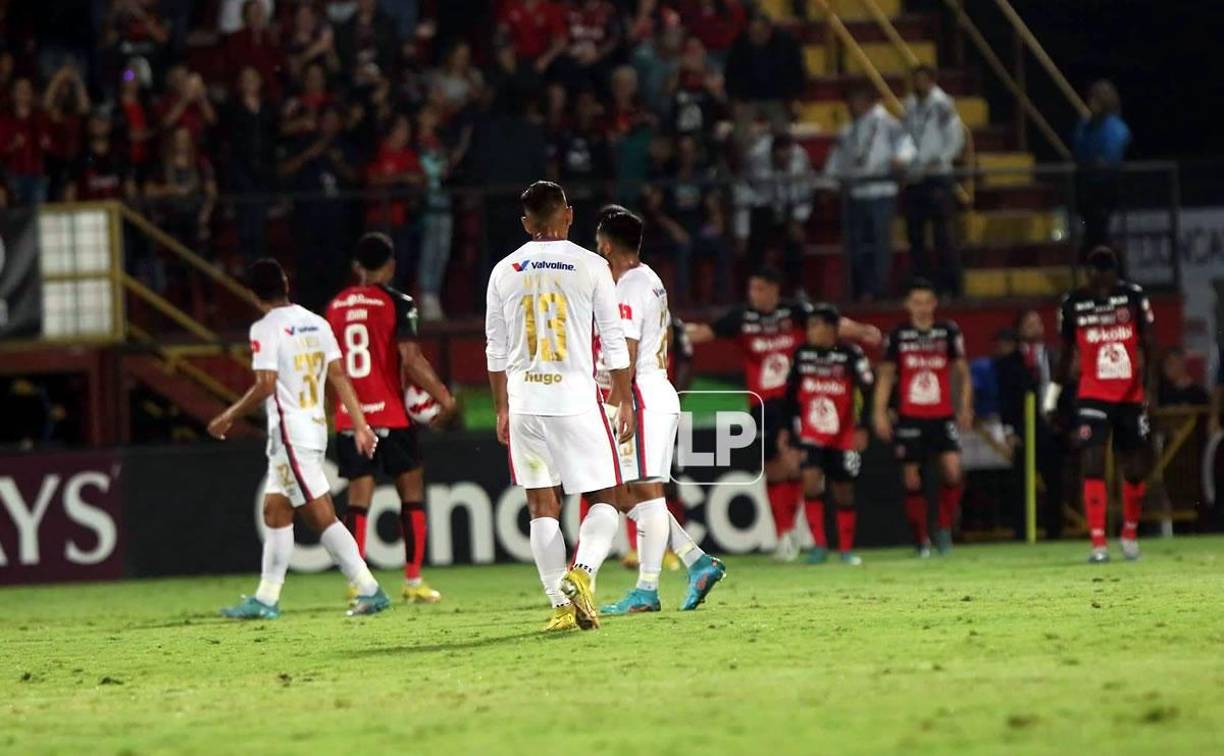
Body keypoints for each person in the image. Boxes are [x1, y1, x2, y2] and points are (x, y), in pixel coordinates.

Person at [485, 180, 635, 631]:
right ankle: (582, 574)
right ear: (568, 215)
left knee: (540, 505)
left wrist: (501, 409)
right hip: (574, 399)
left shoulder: (503, 270)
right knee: (610, 496)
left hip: (525, 400)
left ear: (527, 223)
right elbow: (612, 340)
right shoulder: (592, 267)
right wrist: (623, 397)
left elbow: (495, 350)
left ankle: (560, 607)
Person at [209, 258, 391, 619]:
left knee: (320, 514)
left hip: (291, 432)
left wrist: (228, 414)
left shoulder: (265, 328)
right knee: (275, 509)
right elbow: (338, 377)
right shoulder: (316, 322)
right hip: (312, 428)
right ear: (286, 284)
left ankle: (369, 589)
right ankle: (266, 598)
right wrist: (360, 424)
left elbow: (265, 385)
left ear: (253, 294)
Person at [687, 268, 880, 560]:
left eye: (761, 289)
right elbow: (703, 332)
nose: (755, 295)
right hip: (762, 403)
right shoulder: (742, 317)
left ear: (775, 290)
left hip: (798, 402)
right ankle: (784, 535)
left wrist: (863, 331)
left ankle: (805, 536)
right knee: (775, 469)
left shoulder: (795, 312)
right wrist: (672, 332)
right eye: (752, 289)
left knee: (798, 466)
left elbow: (831, 322)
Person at [590, 209, 727, 616]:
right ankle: (697, 562)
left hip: (641, 395)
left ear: (608, 245)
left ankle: (647, 590)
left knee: (647, 493)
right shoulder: (648, 280)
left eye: (599, 243)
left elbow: (626, 352)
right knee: (626, 493)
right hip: (648, 393)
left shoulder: (631, 286)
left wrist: (620, 400)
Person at [326, 233, 457, 604]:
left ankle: (357, 582)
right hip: (393, 414)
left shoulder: (335, 306)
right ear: (391, 266)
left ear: (356, 267)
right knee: (411, 495)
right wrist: (444, 398)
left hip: (352, 418)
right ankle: (413, 581)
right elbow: (411, 360)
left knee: (358, 500)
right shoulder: (397, 302)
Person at [1046, 246, 1154, 562]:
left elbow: (1150, 345)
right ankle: (1098, 543)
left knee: (1134, 469)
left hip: (1130, 394)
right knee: (1092, 461)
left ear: (1115, 271)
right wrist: (1052, 398)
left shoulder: (1133, 296)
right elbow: (1065, 355)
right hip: (1092, 394)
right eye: (1097, 270)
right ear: (1088, 273)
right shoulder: (1072, 303)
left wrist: (1150, 393)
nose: (1102, 277)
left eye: (1108, 270)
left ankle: (1130, 535)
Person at [873, 278, 973, 556]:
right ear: (907, 304)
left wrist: (965, 406)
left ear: (934, 304)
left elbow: (962, 372)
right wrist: (879, 412)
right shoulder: (898, 335)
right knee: (912, 479)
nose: (921, 307)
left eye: (926, 302)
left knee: (952, 470)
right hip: (909, 416)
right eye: (915, 302)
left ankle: (943, 527)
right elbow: (887, 375)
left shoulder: (948, 331)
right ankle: (921, 539)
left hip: (942, 416)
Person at [785, 303, 873, 565]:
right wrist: (789, 432)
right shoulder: (801, 355)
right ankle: (819, 547)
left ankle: (846, 549)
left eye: (815, 326)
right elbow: (790, 394)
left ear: (832, 329)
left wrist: (863, 426)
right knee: (811, 482)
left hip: (843, 434)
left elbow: (867, 391)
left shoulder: (851, 355)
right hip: (811, 433)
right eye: (809, 326)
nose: (810, 331)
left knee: (843, 490)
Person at [824, 86, 916, 302]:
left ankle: (878, 290)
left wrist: (901, 159)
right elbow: (836, 158)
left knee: (879, 244)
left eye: (855, 100)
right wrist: (828, 182)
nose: (850, 106)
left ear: (867, 101)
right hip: (855, 194)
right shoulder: (847, 130)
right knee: (855, 246)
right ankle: (860, 289)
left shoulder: (887, 123)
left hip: (880, 193)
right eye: (849, 101)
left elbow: (907, 145)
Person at [902, 65, 964, 297]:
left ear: (931, 81)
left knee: (943, 236)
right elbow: (906, 136)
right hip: (915, 176)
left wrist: (941, 160)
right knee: (915, 235)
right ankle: (922, 285)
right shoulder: (909, 105)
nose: (918, 84)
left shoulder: (942, 104)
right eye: (915, 80)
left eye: (922, 80)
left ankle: (951, 286)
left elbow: (955, 137)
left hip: (938, 176)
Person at [1073, 81, 1130, 255]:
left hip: (1106, 187)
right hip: (1086, 185)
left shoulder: (1116, 128)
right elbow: (1078, 149)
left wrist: (1098, 163)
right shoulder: (1085, 125)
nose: (1091, 103)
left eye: (1096, 99)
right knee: (1091, 227)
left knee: (1100, 229)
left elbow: (1110, 157)